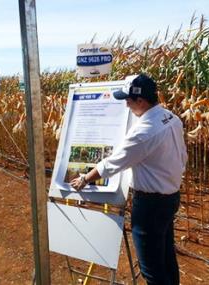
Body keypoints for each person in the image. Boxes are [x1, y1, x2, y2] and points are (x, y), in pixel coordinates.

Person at [70, 73, 187, 285]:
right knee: (166, 258)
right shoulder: (171, 118)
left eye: (128, 100)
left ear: (140, 101)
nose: (125, 105)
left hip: (150, 206)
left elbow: (112, 163)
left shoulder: (144, 132)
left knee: (151, 268)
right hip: (170, 197)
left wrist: (85, 178)